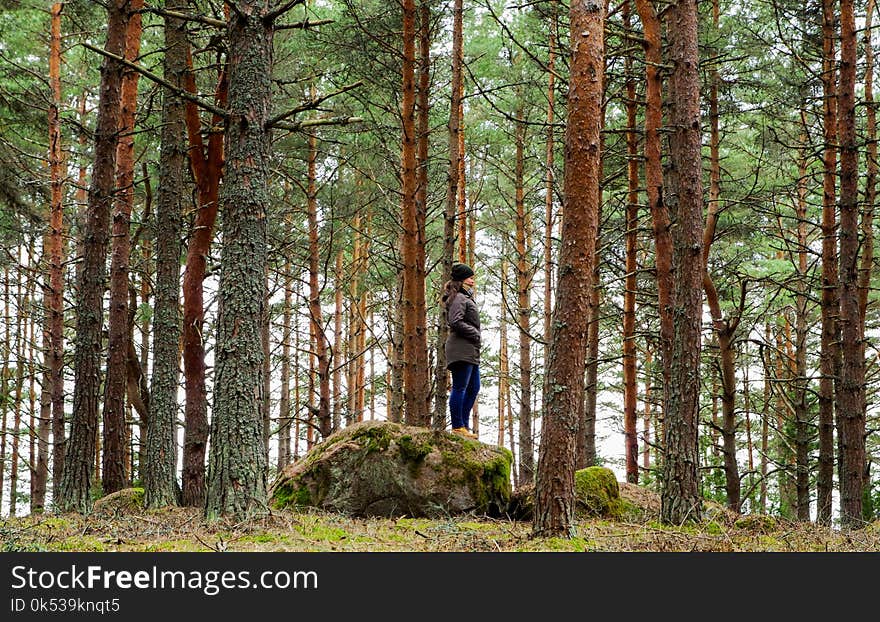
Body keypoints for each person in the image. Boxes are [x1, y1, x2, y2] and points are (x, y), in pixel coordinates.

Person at [441, 262, 481, 439]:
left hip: (469, 349)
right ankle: (458, 426)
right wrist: (475, 333)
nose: (473, 281)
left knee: (474, 387)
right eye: (470, 278)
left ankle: (463, 426)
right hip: (460, 348)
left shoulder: (465, 297)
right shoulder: (458, 298)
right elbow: (455, 321)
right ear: (462, 280)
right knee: (460, 387)